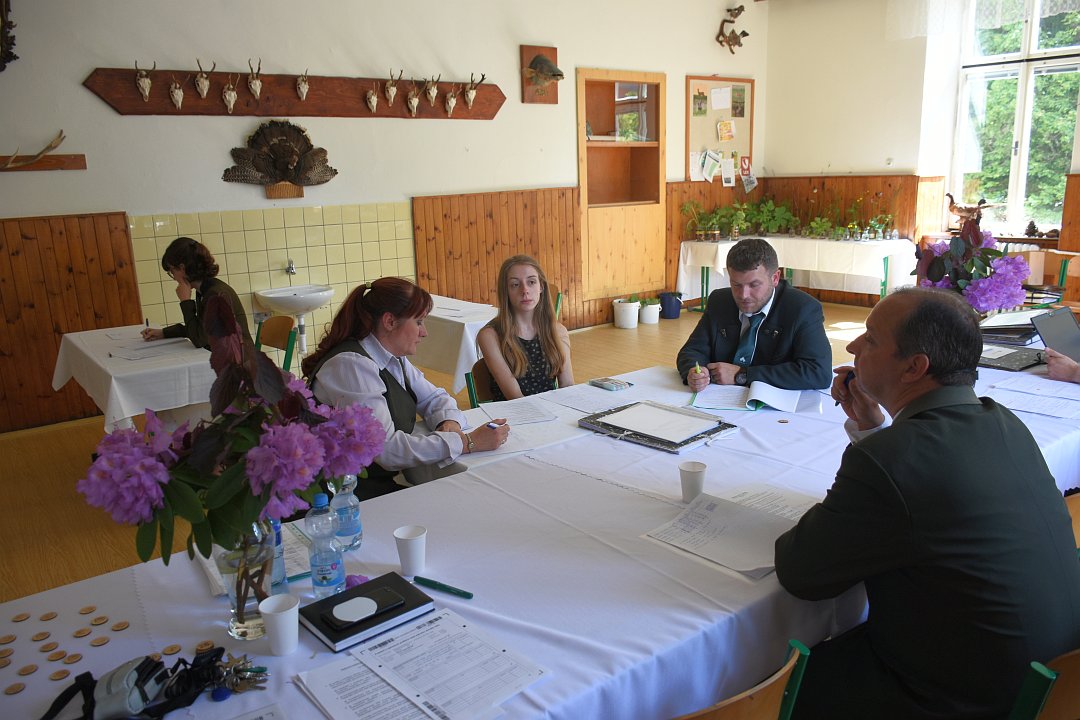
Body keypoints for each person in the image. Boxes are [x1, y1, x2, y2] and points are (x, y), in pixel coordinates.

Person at [774, 287, 1080, 719]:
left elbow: (802, 572)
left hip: (962, 699)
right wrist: (872, 431)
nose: (853, 346)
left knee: (769, 676)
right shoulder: (1003, 422)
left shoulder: (891, 459)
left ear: (915, 367)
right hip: (1052, 679)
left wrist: (874, 449)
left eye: (871, 338)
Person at [302, 277, 510, 499]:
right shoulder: (352, 366)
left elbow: (435, 397)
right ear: (390, 322)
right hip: (341, 495)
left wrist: (448, 422)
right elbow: (386, 450)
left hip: (370, 482)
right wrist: (467, 442)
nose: (424, 332)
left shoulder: (390, 356)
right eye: (419, 322)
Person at [676, 238, 831, 391]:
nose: (744, 295)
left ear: (775, 278)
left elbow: (818, 372)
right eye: (736, 285)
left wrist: (743, 375)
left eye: (754, 285)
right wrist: (695, 372)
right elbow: (691, 351)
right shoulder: (720, 301)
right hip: (716, 399)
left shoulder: (802, 308)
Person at [477, 255, 573, 400]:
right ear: (506, 291)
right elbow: (515, 397)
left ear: (541, 286)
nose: (525, 290)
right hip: (514, 410)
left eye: (531, 282)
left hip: (550, 409)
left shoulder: (558, 331)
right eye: (515, 285)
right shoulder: (490, 336)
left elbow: (567, 385)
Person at [141, 237, 252, 349]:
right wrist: (163, 333)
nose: (173, 277)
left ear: (182, 268)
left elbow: (199, 339)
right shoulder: (205, 289)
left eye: (172, 271)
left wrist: (185, 301)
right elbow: (199, 330)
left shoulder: (215, 294)